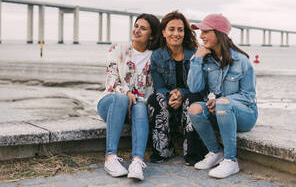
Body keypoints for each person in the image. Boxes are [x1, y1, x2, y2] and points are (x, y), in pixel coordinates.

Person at [187, 14, 258, 178]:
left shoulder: (242, 61)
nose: (201, 35)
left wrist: (221, 101)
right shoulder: (204, 59)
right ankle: (215, 152)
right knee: (195, 109)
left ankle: (231, 161)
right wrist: (197, 59)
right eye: (201, 31)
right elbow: (194, 87)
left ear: (219, 33)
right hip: (218, 113)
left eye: (206, 31)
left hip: (245, 115)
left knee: (224, 103)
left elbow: (248, 96)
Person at [96, 13, 160, 181]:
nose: (137, 30)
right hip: (111, 102)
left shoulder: (155, 56)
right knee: (122, 98)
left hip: (136, 108)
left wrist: (136, 99)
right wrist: (126, 92)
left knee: (140, 105)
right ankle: (110, 157)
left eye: (143, 28)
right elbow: (111, 81)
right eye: (136, 26)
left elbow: (152, 90)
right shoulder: (117, 48)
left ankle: (137, 162)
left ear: (152, 35)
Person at [148, 11, 208, 166]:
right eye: (171, 29)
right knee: (155, 98)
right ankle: (162, 150)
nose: (176, 33)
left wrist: (181, 93)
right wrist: (171, 96)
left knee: (192, 98)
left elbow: (201, 88)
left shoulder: (195, 54)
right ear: (163, 32)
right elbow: (159, 87)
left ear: (185, 32)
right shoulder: (156, 56)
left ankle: (192, 153)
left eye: (180, 30)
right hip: (169, 107)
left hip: (188, 107)